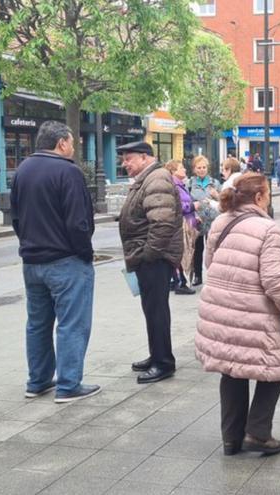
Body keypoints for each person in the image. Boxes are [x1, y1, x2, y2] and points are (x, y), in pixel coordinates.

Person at [196, 173, 280, 456]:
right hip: (255, 314)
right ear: (259, 197)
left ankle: (231, 439)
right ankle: (258, 433)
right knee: (274, 369)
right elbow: (274, 281)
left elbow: (211, 263)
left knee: (232, 370)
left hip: (220, 311)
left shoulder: (221, 222)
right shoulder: (268, 229)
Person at [11, 121, 100, 403]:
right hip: (65, 260)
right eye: (72, 142)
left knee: (37, 323)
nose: (73, 148)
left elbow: (15, 217)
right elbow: (78, 221)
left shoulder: (22, 170)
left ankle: (37, 381)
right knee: (72, 324)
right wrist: (85, 252)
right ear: (61, 143)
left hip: (32, 260)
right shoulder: (68, 171)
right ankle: (68, 384)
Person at [118, 141, 183, 384]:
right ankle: (157, 354)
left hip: (155, 258)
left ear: (145, 157)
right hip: (149, 257)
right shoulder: (149, 178)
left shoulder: (156, 178)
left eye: (129, 158)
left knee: (156, 310)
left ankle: (163, 362)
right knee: (152, 308)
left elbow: (162, 223)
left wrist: (148, 254)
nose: (125, 164)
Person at [164, 158, 197, 295]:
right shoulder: (175, 186)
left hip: (187, 222)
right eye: (181, 167)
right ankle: (180, 282)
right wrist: (193, 206)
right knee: (183, 254)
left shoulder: (180, 185)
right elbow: (178, 206)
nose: (184, 169)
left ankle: (176, 280)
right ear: (173, 171)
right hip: (181, 224)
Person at [188, 155, 221, 286]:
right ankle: (197, 275)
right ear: (194, 169)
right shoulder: (190, 183)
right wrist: (194, 214)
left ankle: (214, 276)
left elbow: (224, 201)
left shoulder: (215, 183)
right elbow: (186, 202)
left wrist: (216, 195)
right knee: (197, 249)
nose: (201, 170)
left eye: (204, 167)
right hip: (198, 221)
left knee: (213, 249)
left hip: (213, 220)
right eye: (199, 167)